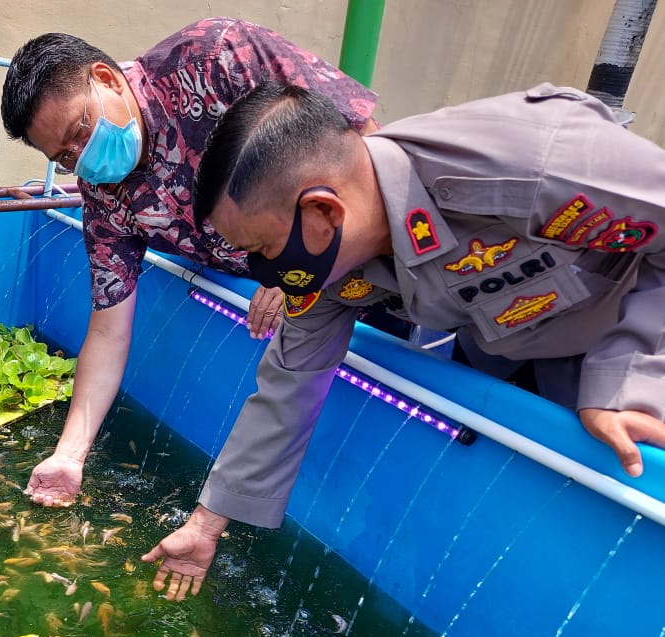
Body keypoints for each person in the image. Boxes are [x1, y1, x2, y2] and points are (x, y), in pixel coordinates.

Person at [142, 81, 665, 600]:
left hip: (629, 347)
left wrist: (628, 377)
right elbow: (289, 383)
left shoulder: (529, 163)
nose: (266, 274)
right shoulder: (329, 267)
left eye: (263, 250)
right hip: (503, 353)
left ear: (324, 211)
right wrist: (208, 523)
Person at [0, 19, 380, 508]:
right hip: (296, 306)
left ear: (108, 79)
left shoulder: (217, 57)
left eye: (79, 131)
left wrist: (296, 265)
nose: (82, 157)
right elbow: (109, 329)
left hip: (369, 265)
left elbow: (359, 133)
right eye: (66, 157)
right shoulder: (104, 194)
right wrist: (70, 456)